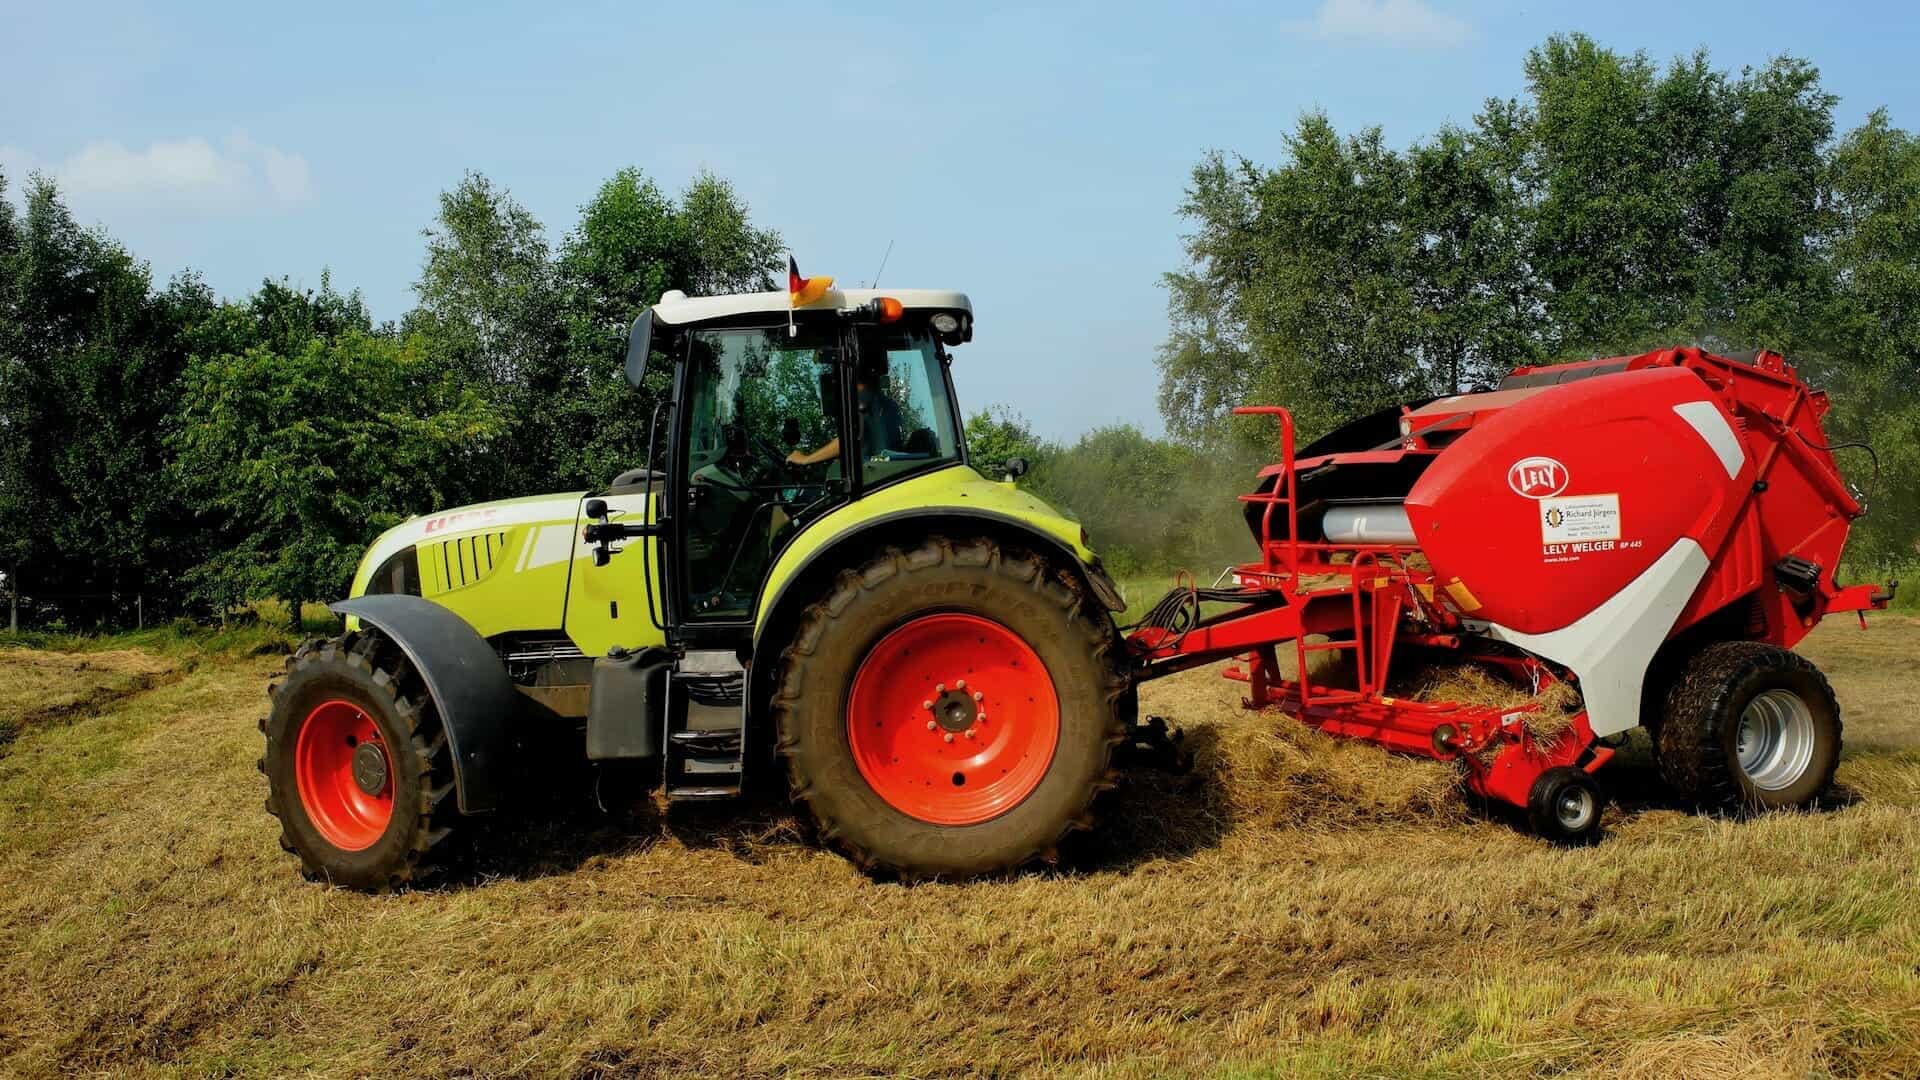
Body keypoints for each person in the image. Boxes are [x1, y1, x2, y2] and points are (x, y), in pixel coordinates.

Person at [787, 361, 902, 467]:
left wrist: (805, 459)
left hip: (875, 476)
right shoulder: (887, 404)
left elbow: (849, 438)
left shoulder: (864, 401)